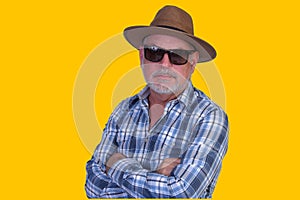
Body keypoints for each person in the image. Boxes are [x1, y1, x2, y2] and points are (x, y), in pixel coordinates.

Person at [85, 5, 229, 198]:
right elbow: (92, 187)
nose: (165, 64)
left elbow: (180, 194)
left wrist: (115, 165)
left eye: (178, 56)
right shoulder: (123, 111)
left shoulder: (210, 117)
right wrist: (156, 176)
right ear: (142, 55)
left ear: (193, 62)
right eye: (155, 52)